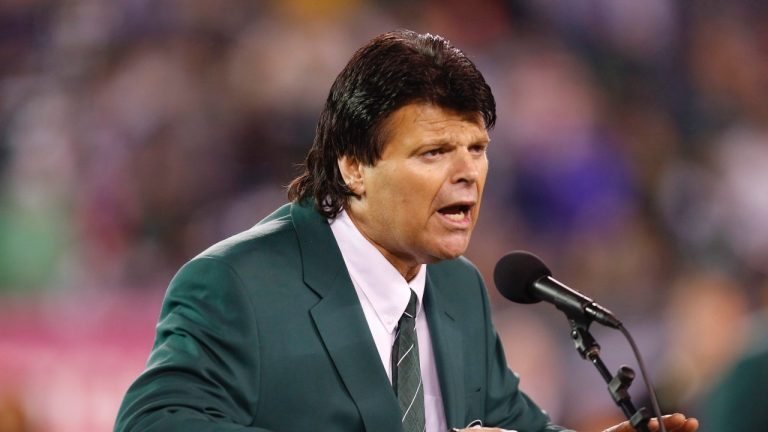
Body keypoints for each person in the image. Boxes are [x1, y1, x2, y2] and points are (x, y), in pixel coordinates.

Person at [114, 29, 698, 432]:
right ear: (354, 166)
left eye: (477, 148)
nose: (467, 172)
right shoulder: (239, 283)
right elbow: (153, 424)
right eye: (434, 151)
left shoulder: (459, 290)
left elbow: (512, 424)